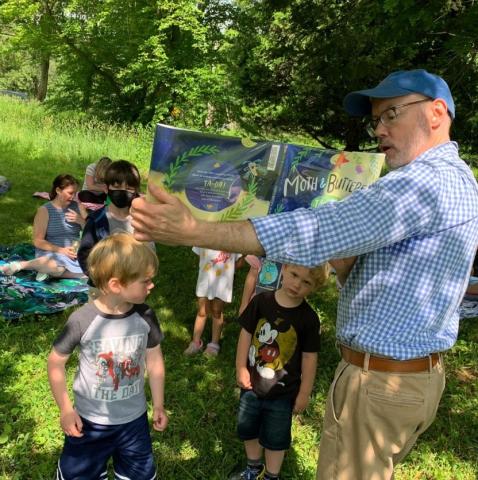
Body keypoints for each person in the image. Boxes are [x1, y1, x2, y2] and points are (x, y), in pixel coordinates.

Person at [131, 69, 478, 479]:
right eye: (375, 120)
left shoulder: (425, 183)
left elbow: (316, 231)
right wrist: (345, 256)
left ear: (436, 113)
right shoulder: (452, 180)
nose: (379, 130)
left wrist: (196, 230)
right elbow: (377, 272)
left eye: (391, 114)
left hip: (382, 383)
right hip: (395, 379)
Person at [47, 233, 168, 479]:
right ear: (116, 284)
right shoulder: (82, 320)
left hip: (134, 422)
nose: (151, 285)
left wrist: (158, 405)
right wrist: (66, 410)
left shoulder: (145, 316)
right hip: (89, 423)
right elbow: (55, 362)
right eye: (145, 281)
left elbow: (154, 361)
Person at [231, 263, 328, 480]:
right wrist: (240, 367)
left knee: (276, 439)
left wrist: (304, 393)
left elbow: (310, 357)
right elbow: (246, 334)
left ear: (314, 288)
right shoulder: (261, 301)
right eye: (294, 275)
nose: (297, 284)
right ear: (284, 268)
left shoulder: (309, 318)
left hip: (284, 394)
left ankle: (271, 476)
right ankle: (254, 468)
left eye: (306, 282)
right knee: (249, 429)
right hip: (251, 386)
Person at [0, 174, 87, 281]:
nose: (73, 197)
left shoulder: (78, 207)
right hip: (50, 252)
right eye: (70, 193)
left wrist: (81, 221)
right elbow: (38, 241)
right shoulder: (45, 210)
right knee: (56, 268)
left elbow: (91, 234)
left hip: (73, 253)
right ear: (58, 190)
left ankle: (47, 271)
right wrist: (61, 250)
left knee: (100, 263)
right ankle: (20, 265)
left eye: (75, 193)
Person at [77, 159, 141, 279]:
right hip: (103, 289)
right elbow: (84, 254)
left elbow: (148, 254)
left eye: (129, 188)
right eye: (117, 186)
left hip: (132, 287)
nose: (123, 191)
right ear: (106, 189)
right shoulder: (96, 221)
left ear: (135, 191)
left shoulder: (141, 222)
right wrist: (100, 280)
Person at [184, 247, 242, 356]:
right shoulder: (205, 236)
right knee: (202, 311)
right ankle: (196, 342)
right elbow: (199, 255)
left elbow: (239, 262)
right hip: (205, 280)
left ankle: (214, 344)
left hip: (222, 283)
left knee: (217, 311)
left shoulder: (232, 240)